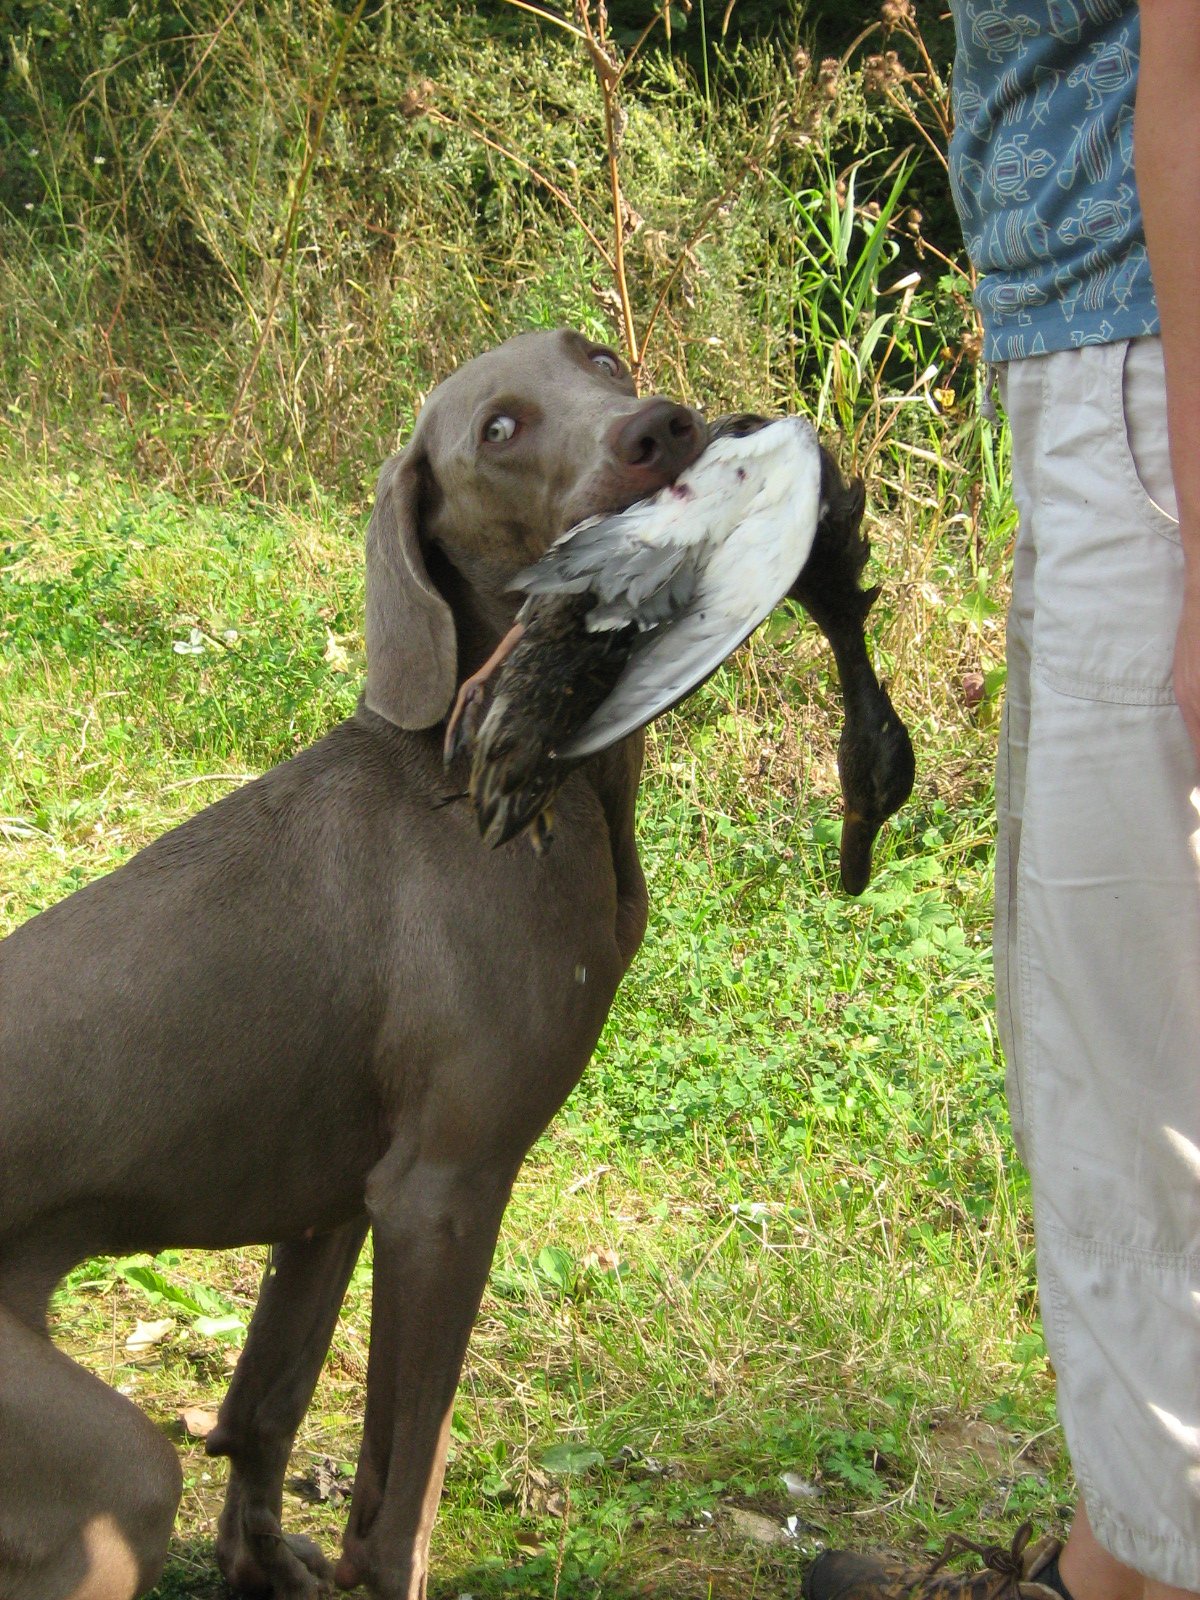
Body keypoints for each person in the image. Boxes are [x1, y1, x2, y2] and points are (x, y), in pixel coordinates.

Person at [804, 5, 1200, 1600]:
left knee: (1134, 1094)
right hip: (1115, 373)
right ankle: (1116, 1567)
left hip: (1154, 390)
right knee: (1117, 1056)